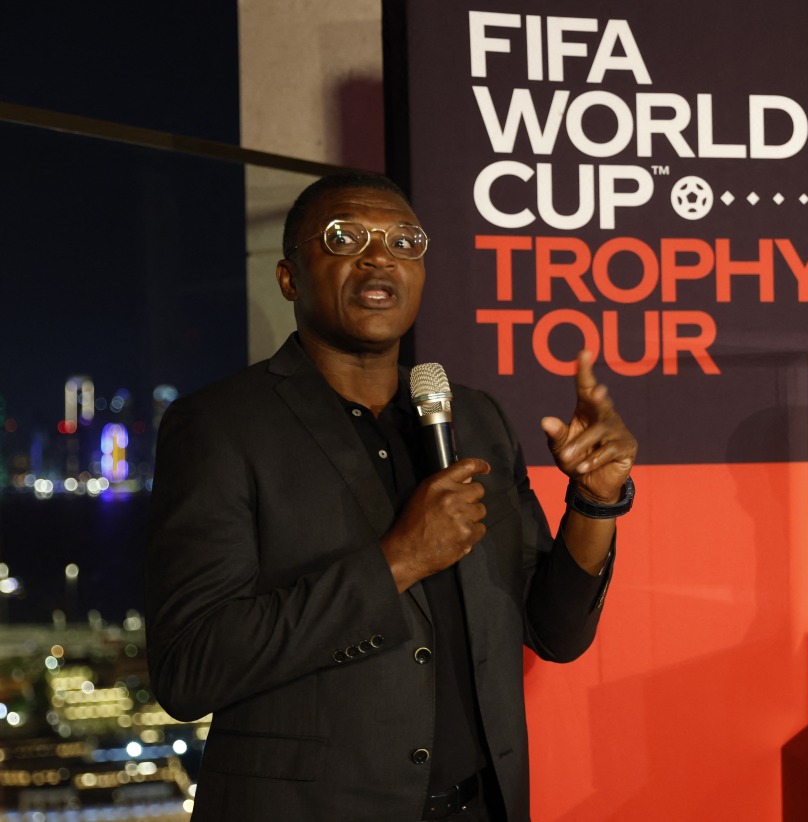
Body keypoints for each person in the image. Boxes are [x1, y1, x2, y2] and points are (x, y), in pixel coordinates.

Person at [144, 170, 637, 822]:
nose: (381, 256)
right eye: (346, 236)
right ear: (290, 277)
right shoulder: (219, 426)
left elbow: (557, 631)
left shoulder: (477, 419)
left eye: (406, 241)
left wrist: (595, 502)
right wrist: (398, 560)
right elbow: (189, 670)